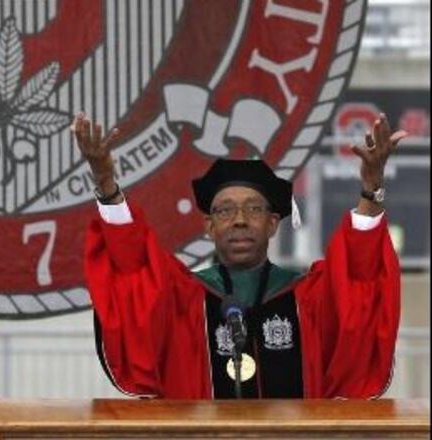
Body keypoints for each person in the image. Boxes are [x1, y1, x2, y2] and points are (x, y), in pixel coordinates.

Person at [73, 112, 408, 399]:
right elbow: (132, 263)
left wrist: (371, 189)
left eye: (253, 208)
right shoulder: (183, 297)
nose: (239, 220)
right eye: (224, 211)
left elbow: (359, 274)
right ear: (208, 226)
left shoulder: (309, 295)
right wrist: (106, 184)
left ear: (274, 223)